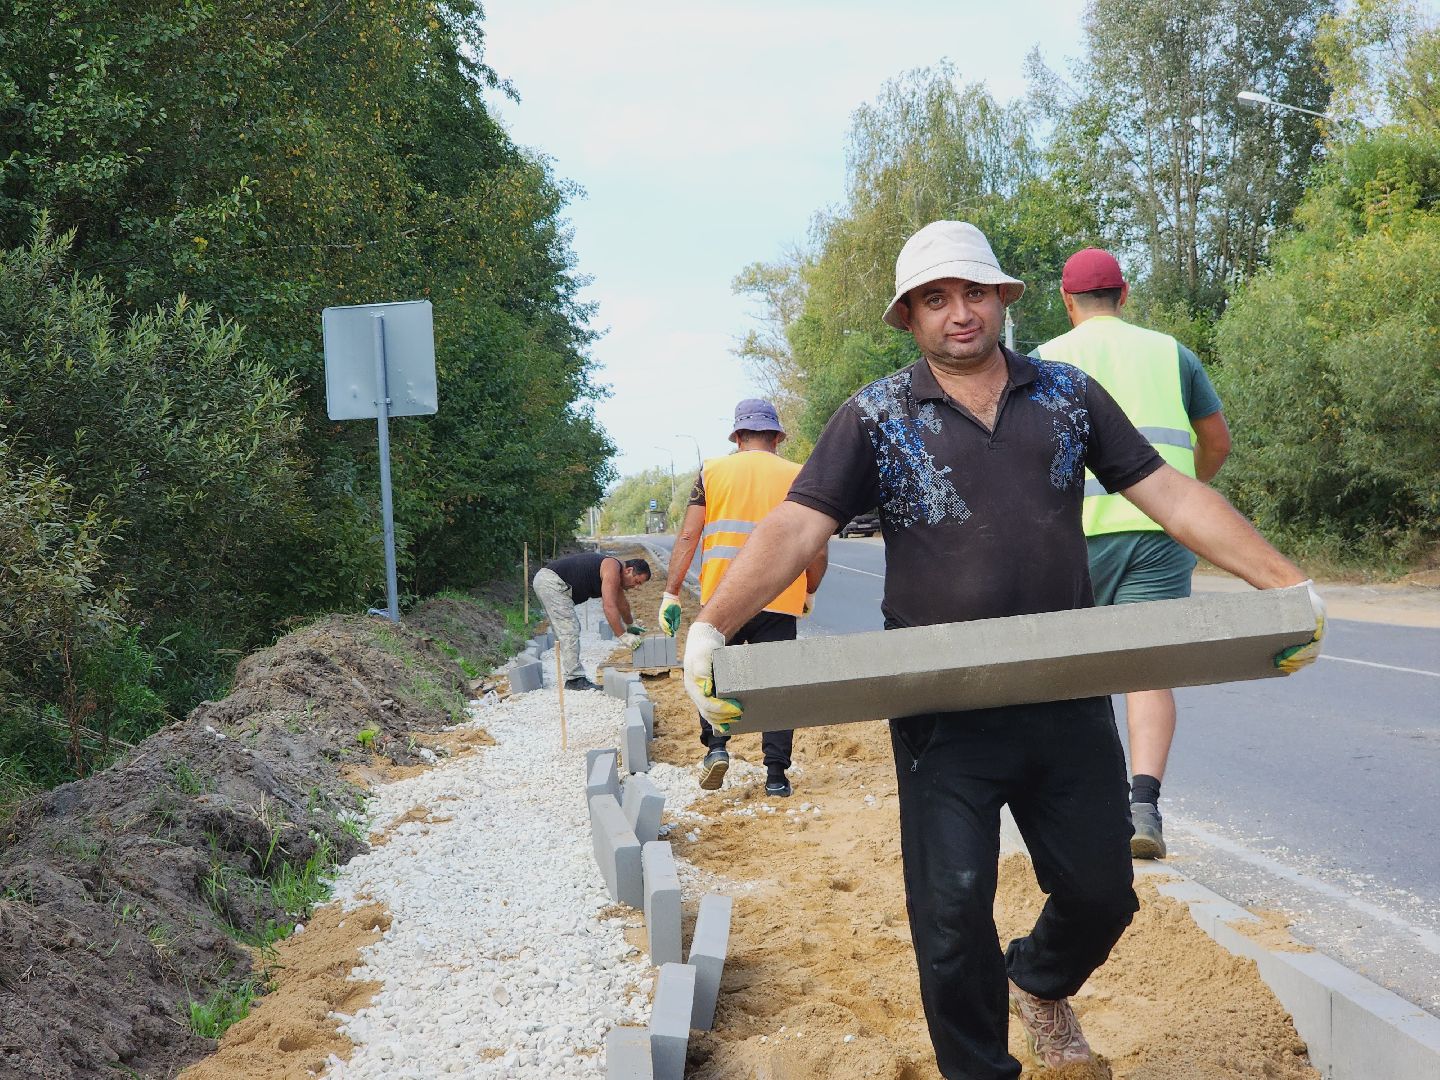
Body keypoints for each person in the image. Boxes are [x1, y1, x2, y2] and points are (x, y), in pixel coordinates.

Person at [680, 220, 1325, 1079]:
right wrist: (712, 626)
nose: (959, 312)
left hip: (1064, 694)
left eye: (974, 293)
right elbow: (798, 526)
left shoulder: (1068, 395)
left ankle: (1039, 980)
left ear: (1002, 299)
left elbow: (1170, 494)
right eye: (936, 299)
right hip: (941, 709)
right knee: (950, 916)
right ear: (909, 316)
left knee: (1103, 892)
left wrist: (1285, 587)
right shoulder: (876, 415)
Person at [1033, 247, 1232, 860]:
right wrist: (1179, 496)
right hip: (1158, 535)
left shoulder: (1040, 361)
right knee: (1147, 670)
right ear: (1124, 295)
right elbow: (1216, 442)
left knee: (1070, 671)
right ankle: (1143, 806)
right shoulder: (1172, 354)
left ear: (1067, 302)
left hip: (1071, 538)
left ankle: (1079, 811)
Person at [657, 399, 828, 798]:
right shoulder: (799, 474)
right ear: (777, 438)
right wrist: (809, 589)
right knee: (778, 684)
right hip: (779, 597)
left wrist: (671, 593)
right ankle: (776, 775)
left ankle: (716, 749)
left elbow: (689, 535)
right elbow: (817, 546)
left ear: (737, 437)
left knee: (712, 674)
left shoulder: (712, 472)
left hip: (724, 601)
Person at [532, 552, 650, 691]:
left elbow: (622, 604)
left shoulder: (616, 573)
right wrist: (622, 635)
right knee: (569, 629)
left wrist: (630, 625)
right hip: (551, 582)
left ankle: (572, 675)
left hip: (551, 581)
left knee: (566, 629)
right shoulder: (612, 568)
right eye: (637, 582)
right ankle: (574, 679)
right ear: (629, 570)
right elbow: (609, 606)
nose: (636, 587)